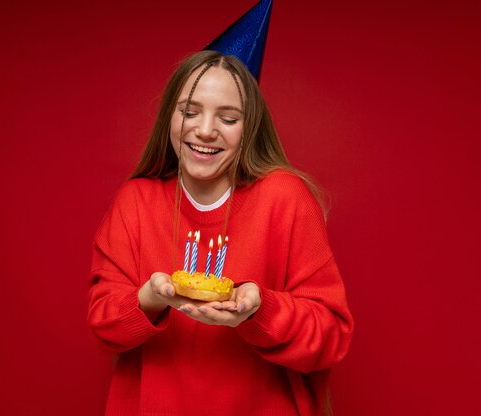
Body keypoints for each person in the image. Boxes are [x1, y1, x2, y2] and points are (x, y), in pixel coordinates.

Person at [87, 49, 353, 415]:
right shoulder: (135, 201)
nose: (206, 129)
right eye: (190, 112)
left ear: (250, 127)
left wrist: (260, 309)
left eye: (228, 118)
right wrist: (150, 297)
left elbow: (331, 339)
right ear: (169, 117)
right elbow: (103, 326)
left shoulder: (286, 199)